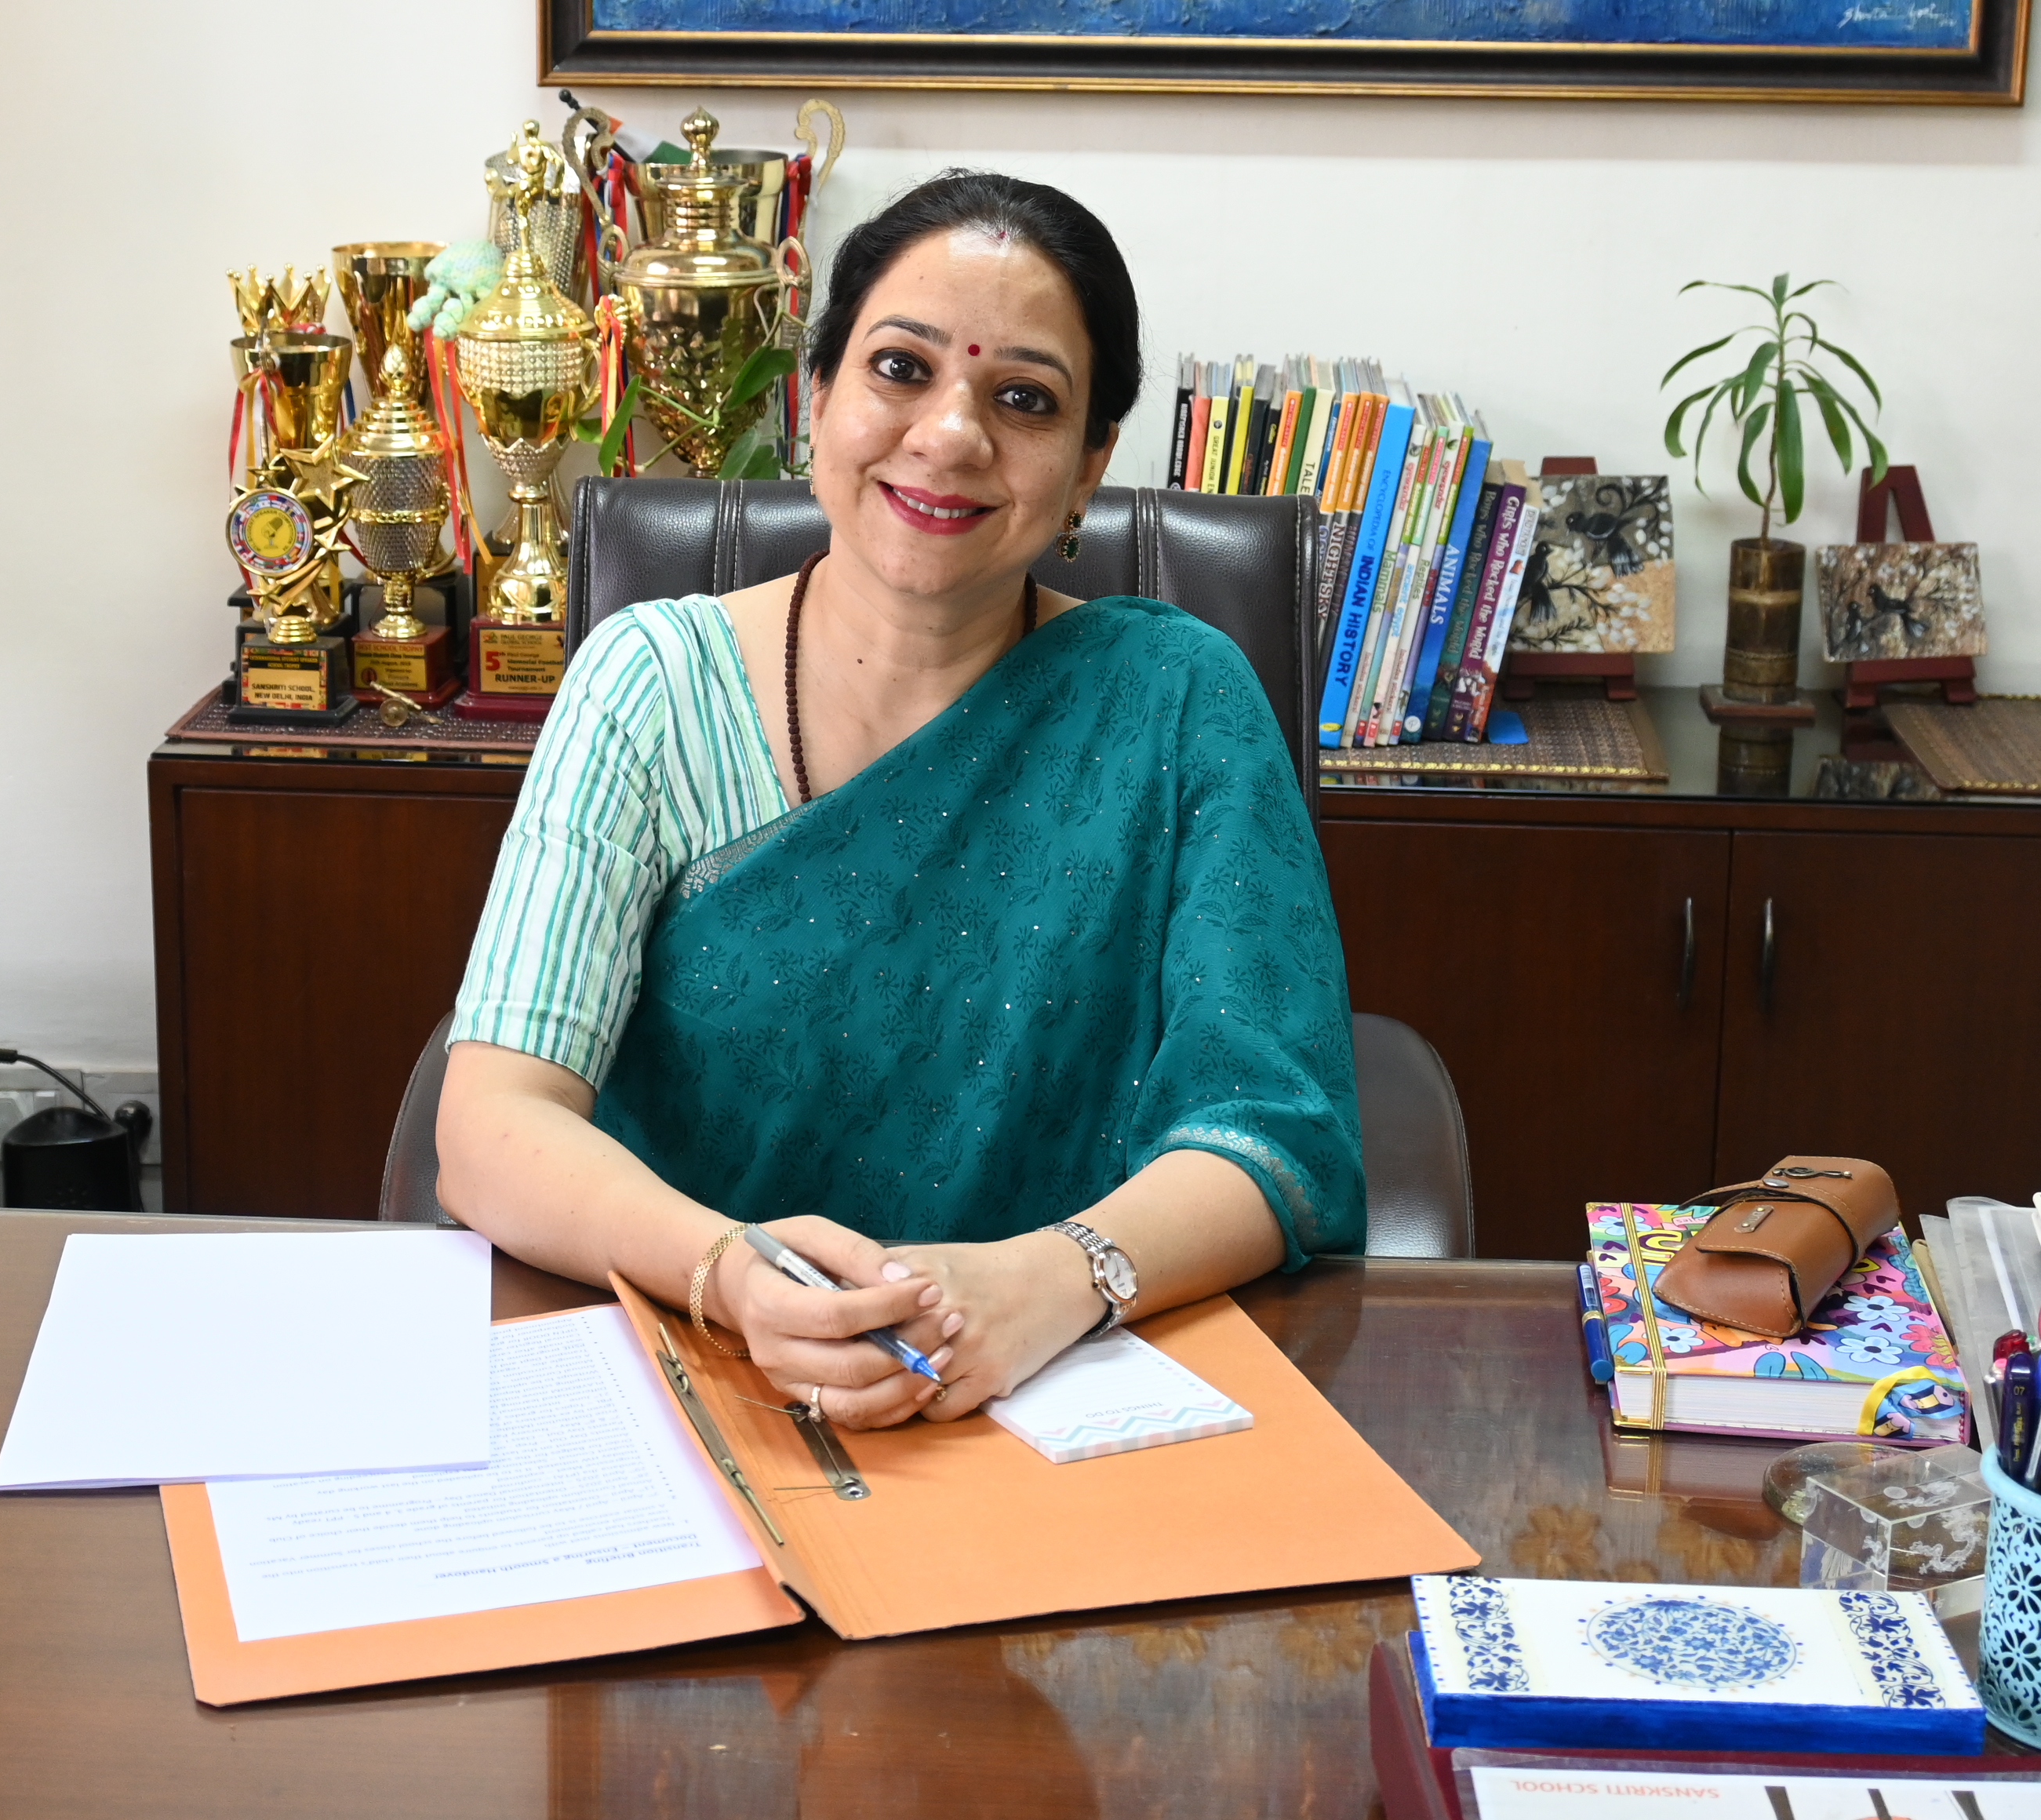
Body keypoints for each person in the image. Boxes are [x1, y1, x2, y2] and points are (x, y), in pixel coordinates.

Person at [438, 171, 1362, 1432]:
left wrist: (1051, 1283)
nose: (950, 435)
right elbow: (492, 1124)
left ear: (1090, 469)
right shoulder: (649, 687)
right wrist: (735, 1276)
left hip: (1072, 1402)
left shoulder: (1178, 701)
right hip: (693, 1381)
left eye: (1023, 399)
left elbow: (1276, 1135)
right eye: (900, 369)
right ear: (815, 401)